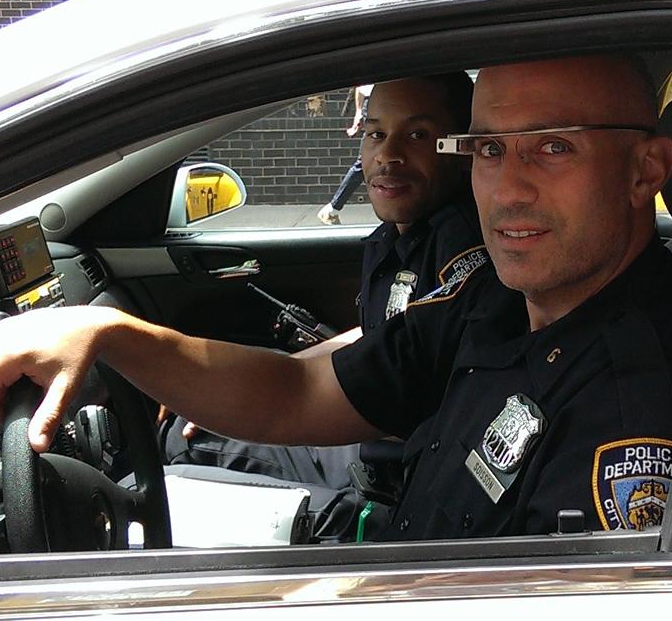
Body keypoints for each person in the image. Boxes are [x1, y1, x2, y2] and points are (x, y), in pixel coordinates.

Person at [0, 54, 672, 540]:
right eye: (486, 149)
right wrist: (113, 335)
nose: (506, 189)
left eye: (553, 146)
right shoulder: (497, 302)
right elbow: (300, 389)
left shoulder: (629, 410)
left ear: (646, 170)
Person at [163, 73, 481, 499]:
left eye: (418, 135)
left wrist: (210, 387)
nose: (388, 154)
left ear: (463, 150)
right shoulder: (399, 238)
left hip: (395, 493)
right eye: (376, 133)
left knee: (185, 451)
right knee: (192, 431)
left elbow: (306, 392)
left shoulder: (462, 258)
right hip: (368, 449)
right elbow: (377, 337)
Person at [317, 84, 374, 225]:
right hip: (378, 104)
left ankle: (332, 208)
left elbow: (361, 86)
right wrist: (359, 111)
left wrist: (359, 111)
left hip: (377, 104)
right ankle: (332, 208)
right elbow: (362, 86)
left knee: (366, 161)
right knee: (365, 161)